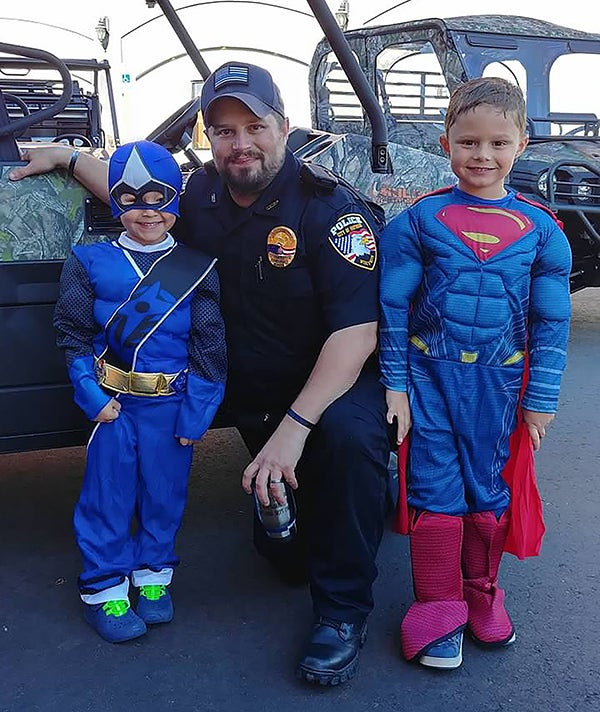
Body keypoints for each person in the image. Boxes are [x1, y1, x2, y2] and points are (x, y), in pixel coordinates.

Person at [11, 63, 391, 685]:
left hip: (331, 382)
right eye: (223, 130)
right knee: (288, 562)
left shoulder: (332, 212)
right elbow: (136, 199)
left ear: (284, 128)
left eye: (255, 126)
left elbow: (356, 333)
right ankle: (287, 523)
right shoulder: (203, 197)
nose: (240, 143)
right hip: (253, 388)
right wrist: (67, 154)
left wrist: (295, 428)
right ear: (208, 140)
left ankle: (342, 614)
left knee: (349, 446)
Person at [379, 77, 572, 670]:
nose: (481, 156)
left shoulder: (542, 230)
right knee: (436, 490)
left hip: (500, 384)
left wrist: (540, 400)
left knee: (489, 492)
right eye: (467, 142)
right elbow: (391, 307)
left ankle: (481, 594)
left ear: (522, 144)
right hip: (431, 377)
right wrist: (396, 385)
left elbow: (552, 321)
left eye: (496, 143)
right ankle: (437, 609)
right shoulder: (418, 220)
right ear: (445, 143)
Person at [52, 140, 227, 643]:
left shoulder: (199, 267)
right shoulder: (88, 261)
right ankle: (105, 587)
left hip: (171, 407)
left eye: (157, 198)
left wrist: (197, 416)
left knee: (164, 496)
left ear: (173, 199)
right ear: (115, 203)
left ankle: (153, 578)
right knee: (107, 497)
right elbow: (73, 334)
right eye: (130, 200)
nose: (146, 213)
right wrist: (91, 396)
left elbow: (210, 346)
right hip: (114, 406)